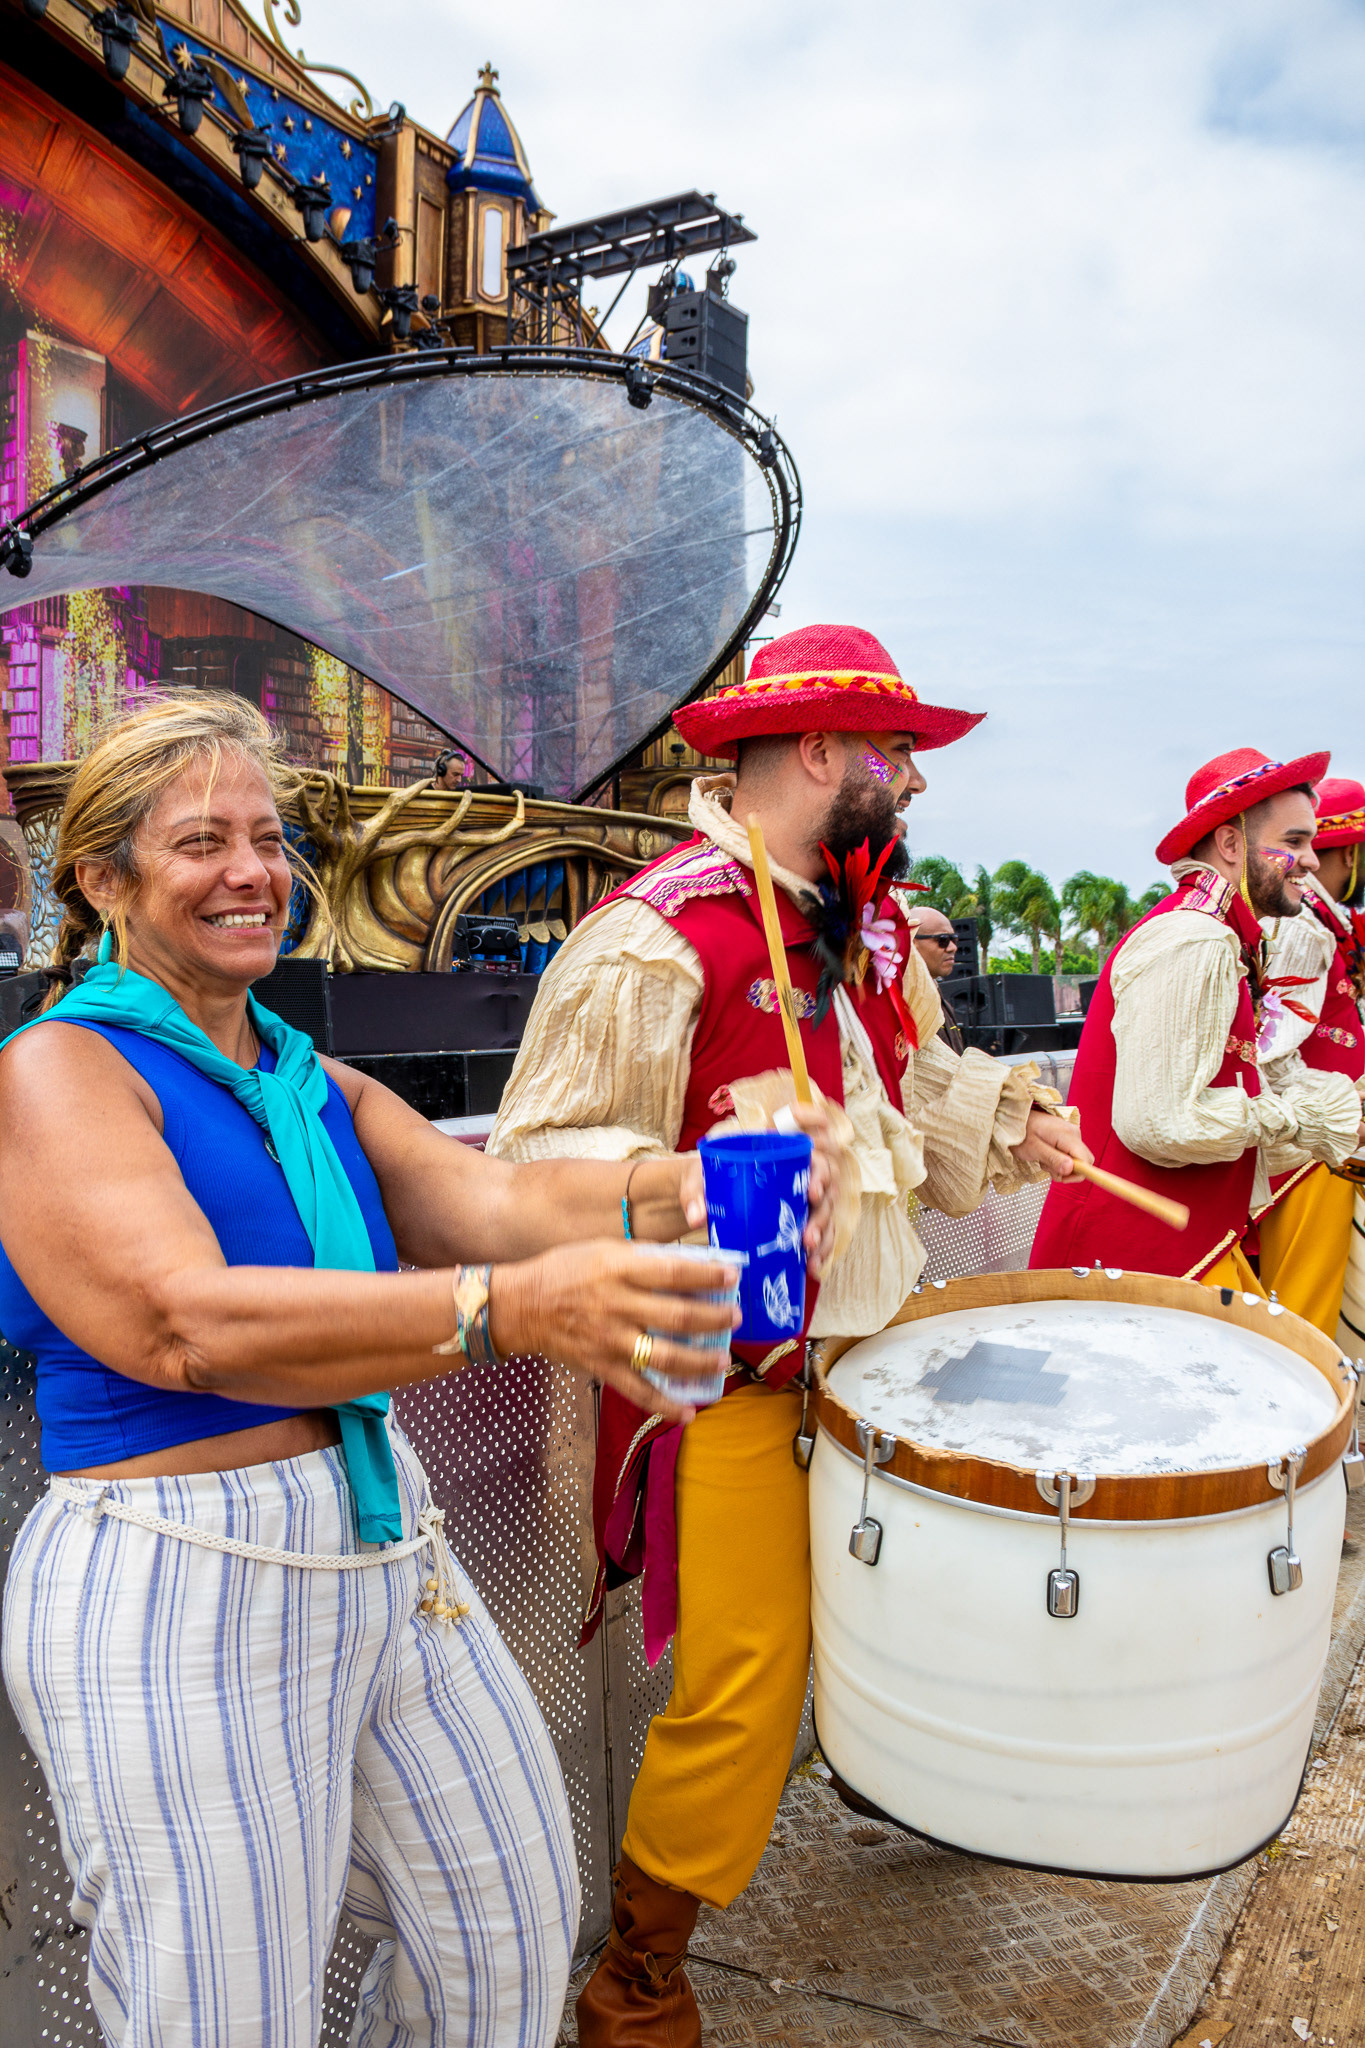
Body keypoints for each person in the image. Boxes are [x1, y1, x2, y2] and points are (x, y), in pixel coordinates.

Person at [0, 694, 843, 2048]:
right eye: (200, 842)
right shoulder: (60, 1069)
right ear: (102, 881)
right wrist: (512, 1313)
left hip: (384, 1545)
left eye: (269, 840)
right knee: (220, 2015)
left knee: (504, 1935)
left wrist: (698, 1186)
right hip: (180, 1575)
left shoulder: (306, 1076)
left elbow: (499, 1205)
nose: (252, 872)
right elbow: (181, 1324)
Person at [488, 622, 1091, 2047]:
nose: (907, 780)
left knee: (922, 1617)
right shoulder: (656, 933)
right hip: (733, 1381)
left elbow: (914, 1078)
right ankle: (637, 1975)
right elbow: (529, 1164)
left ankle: (920, 1788)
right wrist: (701, 1184)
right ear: (817, 748)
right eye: (892, 752)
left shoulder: (859, 924)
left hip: (866, 1366)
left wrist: (1014, 1118)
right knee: (747, 1684)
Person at [1030, 749, 1364, 1288]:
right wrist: (1305, 1116)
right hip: (1132, 1264)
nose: (1310, 860)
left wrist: (1333, 1110)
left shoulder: (1218, 933)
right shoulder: (1194, 937)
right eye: (1294, 842)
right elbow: (1163, 1124)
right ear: (1231, 844)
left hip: (1184, 1251)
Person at [1255, 777, 1365, 1333]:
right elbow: (1269, 1054)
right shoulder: (1299, 923)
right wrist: (1345, 1113)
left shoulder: (1321, 919)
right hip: (1311, 1154)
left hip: (1324, 1141)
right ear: (1354, 850)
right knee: (1305, 1314)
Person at [912, 905, 966, 1051]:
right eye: (942, 940)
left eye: (954, 939)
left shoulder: (943, 1003)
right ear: (912, 942)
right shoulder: (905, 1005)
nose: (952, 947)